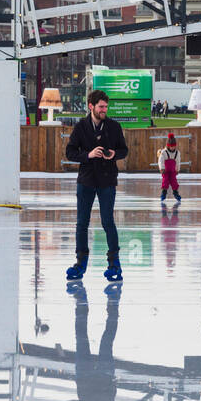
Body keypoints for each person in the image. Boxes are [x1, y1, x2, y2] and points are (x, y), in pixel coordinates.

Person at [64, 89, 130, 282]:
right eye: (101, 106)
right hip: (86, 181)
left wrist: (113, 154)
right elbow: (70, 152)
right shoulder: (80, 127)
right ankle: (81, 262)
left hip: (107, 180)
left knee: (108, 221)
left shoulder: (114, 127)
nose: (104, 110)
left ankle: (114, 263)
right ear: (91, 106)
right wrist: (88, 155)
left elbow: (123, 150)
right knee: (81, 223)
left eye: (106, 107)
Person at [62, 282, 126, 401]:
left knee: (81, 336)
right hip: (106, 379)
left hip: (85, 378)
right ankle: (113, 301)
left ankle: (81, 300)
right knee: (108, 339)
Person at [157, 131, 182, 204]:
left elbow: (178, 161)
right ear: (168, 145)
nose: (172, 148)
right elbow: (160, 161)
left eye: (173, 146)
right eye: (170, 146)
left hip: (173, 170)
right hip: (165, 170)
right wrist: (162, 168)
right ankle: (164, 192)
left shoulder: (177, 153)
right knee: (165, 181)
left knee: (174, 181)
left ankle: (175, 192)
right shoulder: (164, 152)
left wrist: (177, 169)